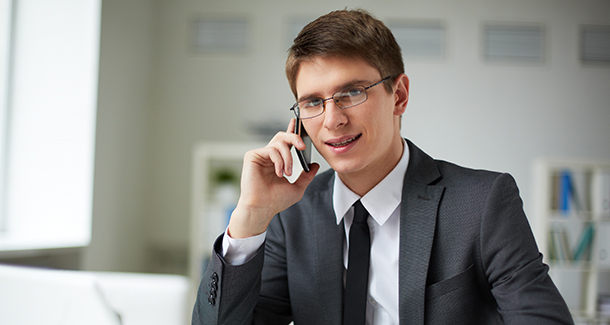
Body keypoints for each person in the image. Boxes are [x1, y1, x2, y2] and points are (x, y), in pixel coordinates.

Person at [192, 9, 573, 325]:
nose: (332, 120)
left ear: (399, 95)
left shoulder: (482, 203)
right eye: (312, 102)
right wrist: (251, 217)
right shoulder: (290, 216)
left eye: (352, 93)